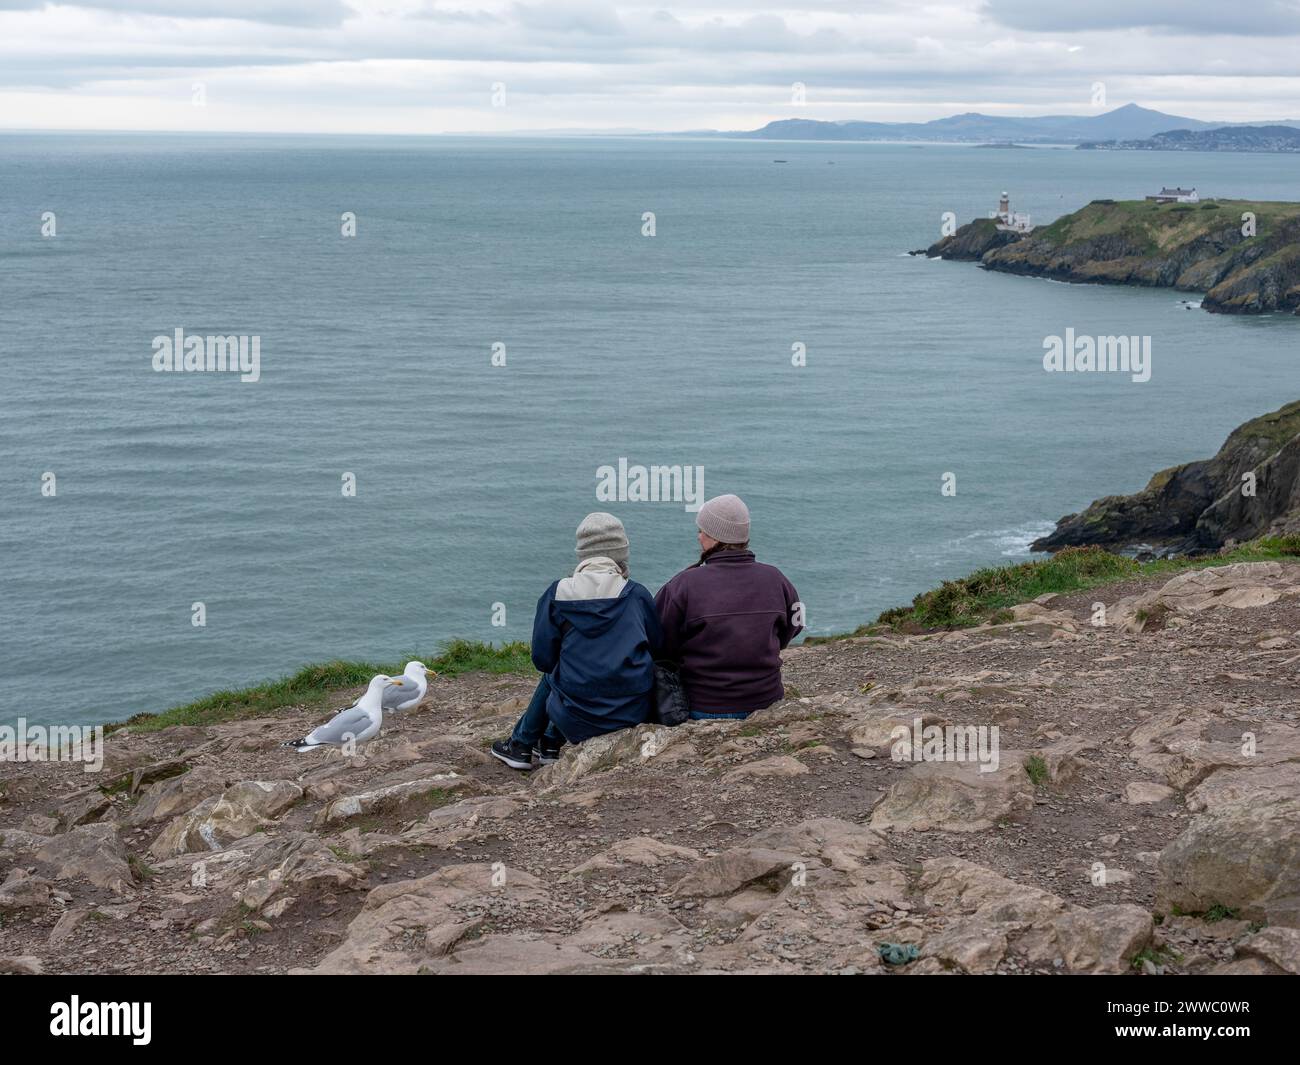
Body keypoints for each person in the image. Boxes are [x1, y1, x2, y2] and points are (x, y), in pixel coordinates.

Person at [491, 512, 662, 770]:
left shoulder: (557, 594)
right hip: (633, 714)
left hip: (575, 719)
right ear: (622, 552)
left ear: (583, 553)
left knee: (557, 671)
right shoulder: (636, 595)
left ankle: (523, 745)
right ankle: (547, 742)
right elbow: (658, 648)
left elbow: (543, 660)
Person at [654, 494, 802, 720]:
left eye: (702, 530)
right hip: (766, 700)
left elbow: (659, 640)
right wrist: (764, 644)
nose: (698, 537)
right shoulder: (775, 578)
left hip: (704, 704)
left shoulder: (684, 584)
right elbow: (797, 622)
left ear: (714, 537)